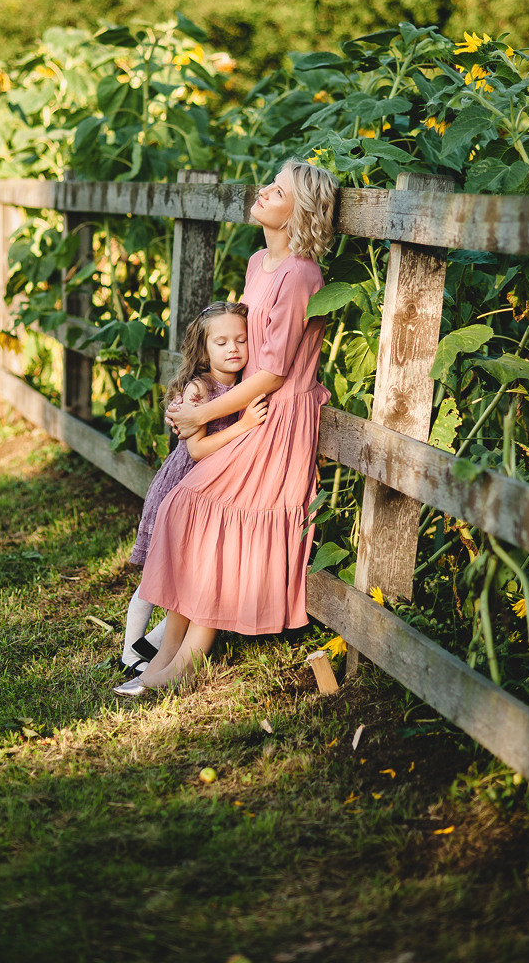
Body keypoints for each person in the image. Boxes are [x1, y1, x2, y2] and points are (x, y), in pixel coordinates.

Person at [113, 158, 339, 697]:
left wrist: (200, 415)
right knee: (185, 507)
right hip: (249, 413)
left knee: (216, 520)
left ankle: (186, 663)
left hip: (277, 419)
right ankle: (161, 658)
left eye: (278, 190)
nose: (264, 191)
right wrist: (204, 396)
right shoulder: (260, 260)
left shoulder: (302, 274)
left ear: (300, 210)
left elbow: (271, 372)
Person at [118, 301, 268, 677]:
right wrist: (246, 423)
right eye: (221, 342)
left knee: (187, 576)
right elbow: (197, 449)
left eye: (241, 340)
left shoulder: (243, 384)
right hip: (183, 487)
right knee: (158, 575)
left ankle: (152, 645)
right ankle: (129, 653)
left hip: (211, 495)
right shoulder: (200, 390)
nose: (233, 348)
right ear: (203, 349)